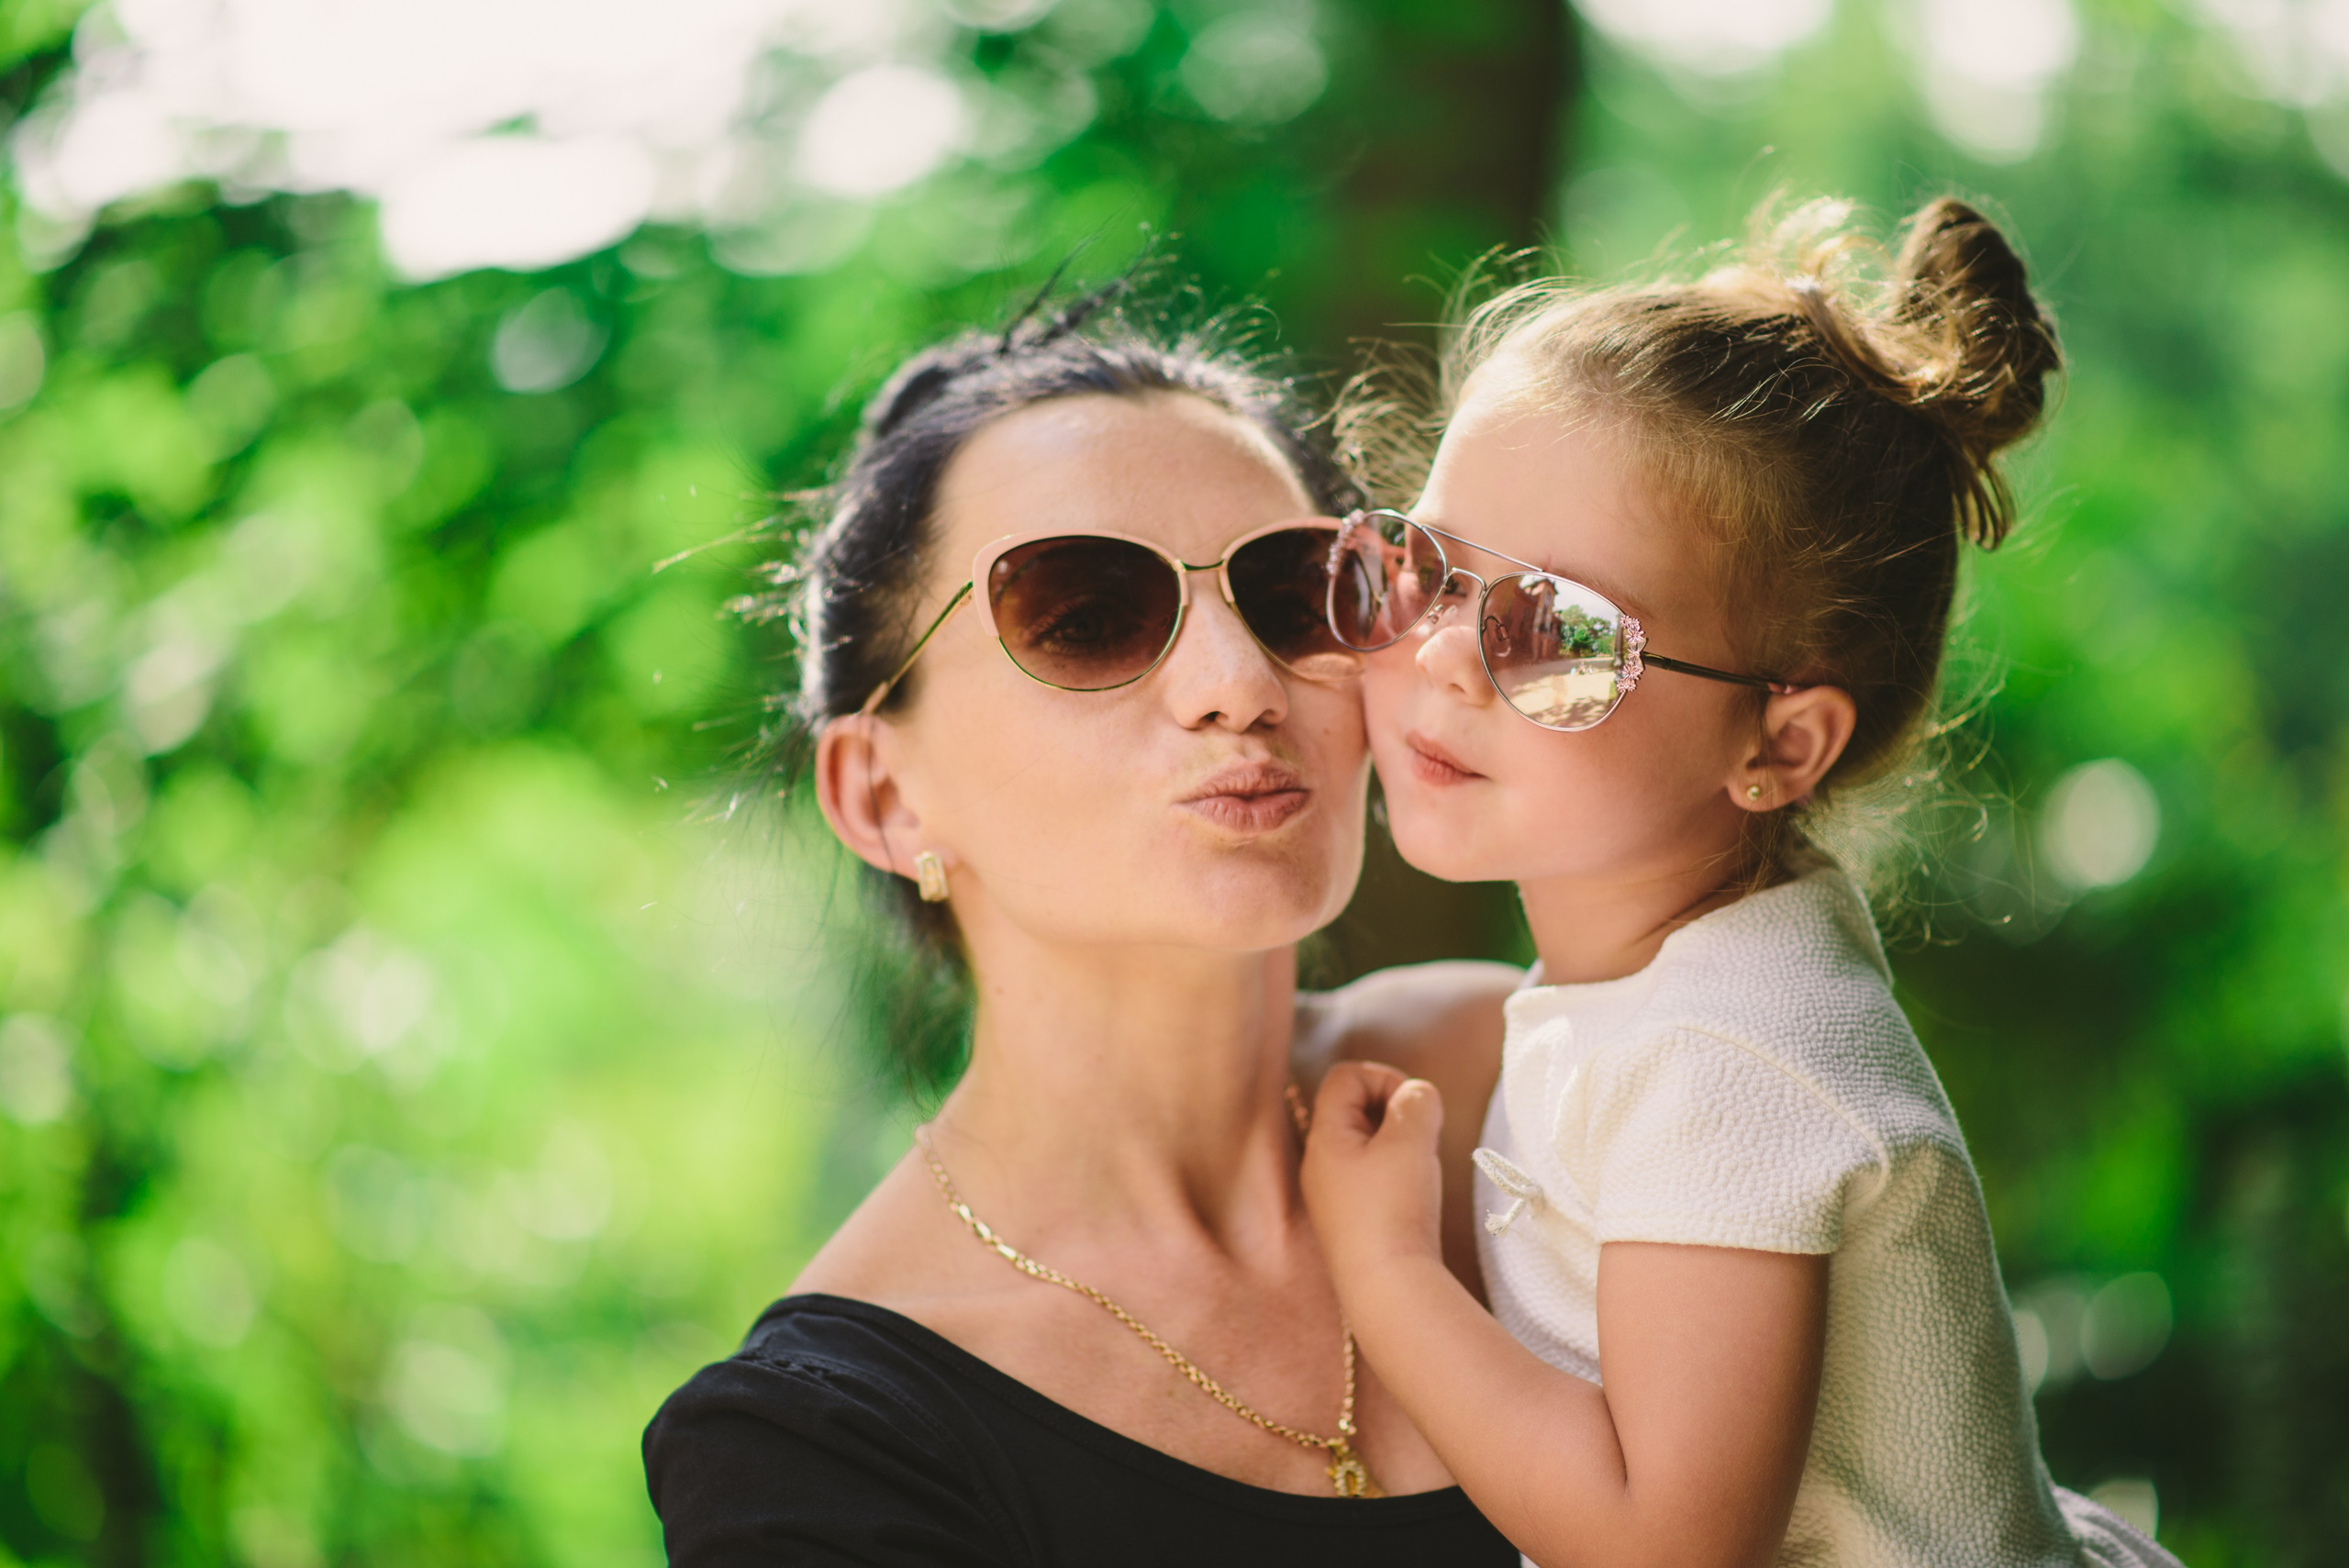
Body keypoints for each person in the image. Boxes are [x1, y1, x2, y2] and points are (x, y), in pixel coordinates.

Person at [1297, 198, 2187, 1567]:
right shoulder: (1692, 972)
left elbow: (1665, 1541)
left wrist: (1388, 1271)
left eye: (1555, 631)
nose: (1445, 661)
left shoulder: (1725, 1055)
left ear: (1777, 743)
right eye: (1426, 567)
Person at [641, 285, 1523, 1564]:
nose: (1239, 686)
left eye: (1291, 594)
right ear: (882, 793)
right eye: (1086, 617)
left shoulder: (1532, 1088)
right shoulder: (819, 1451)